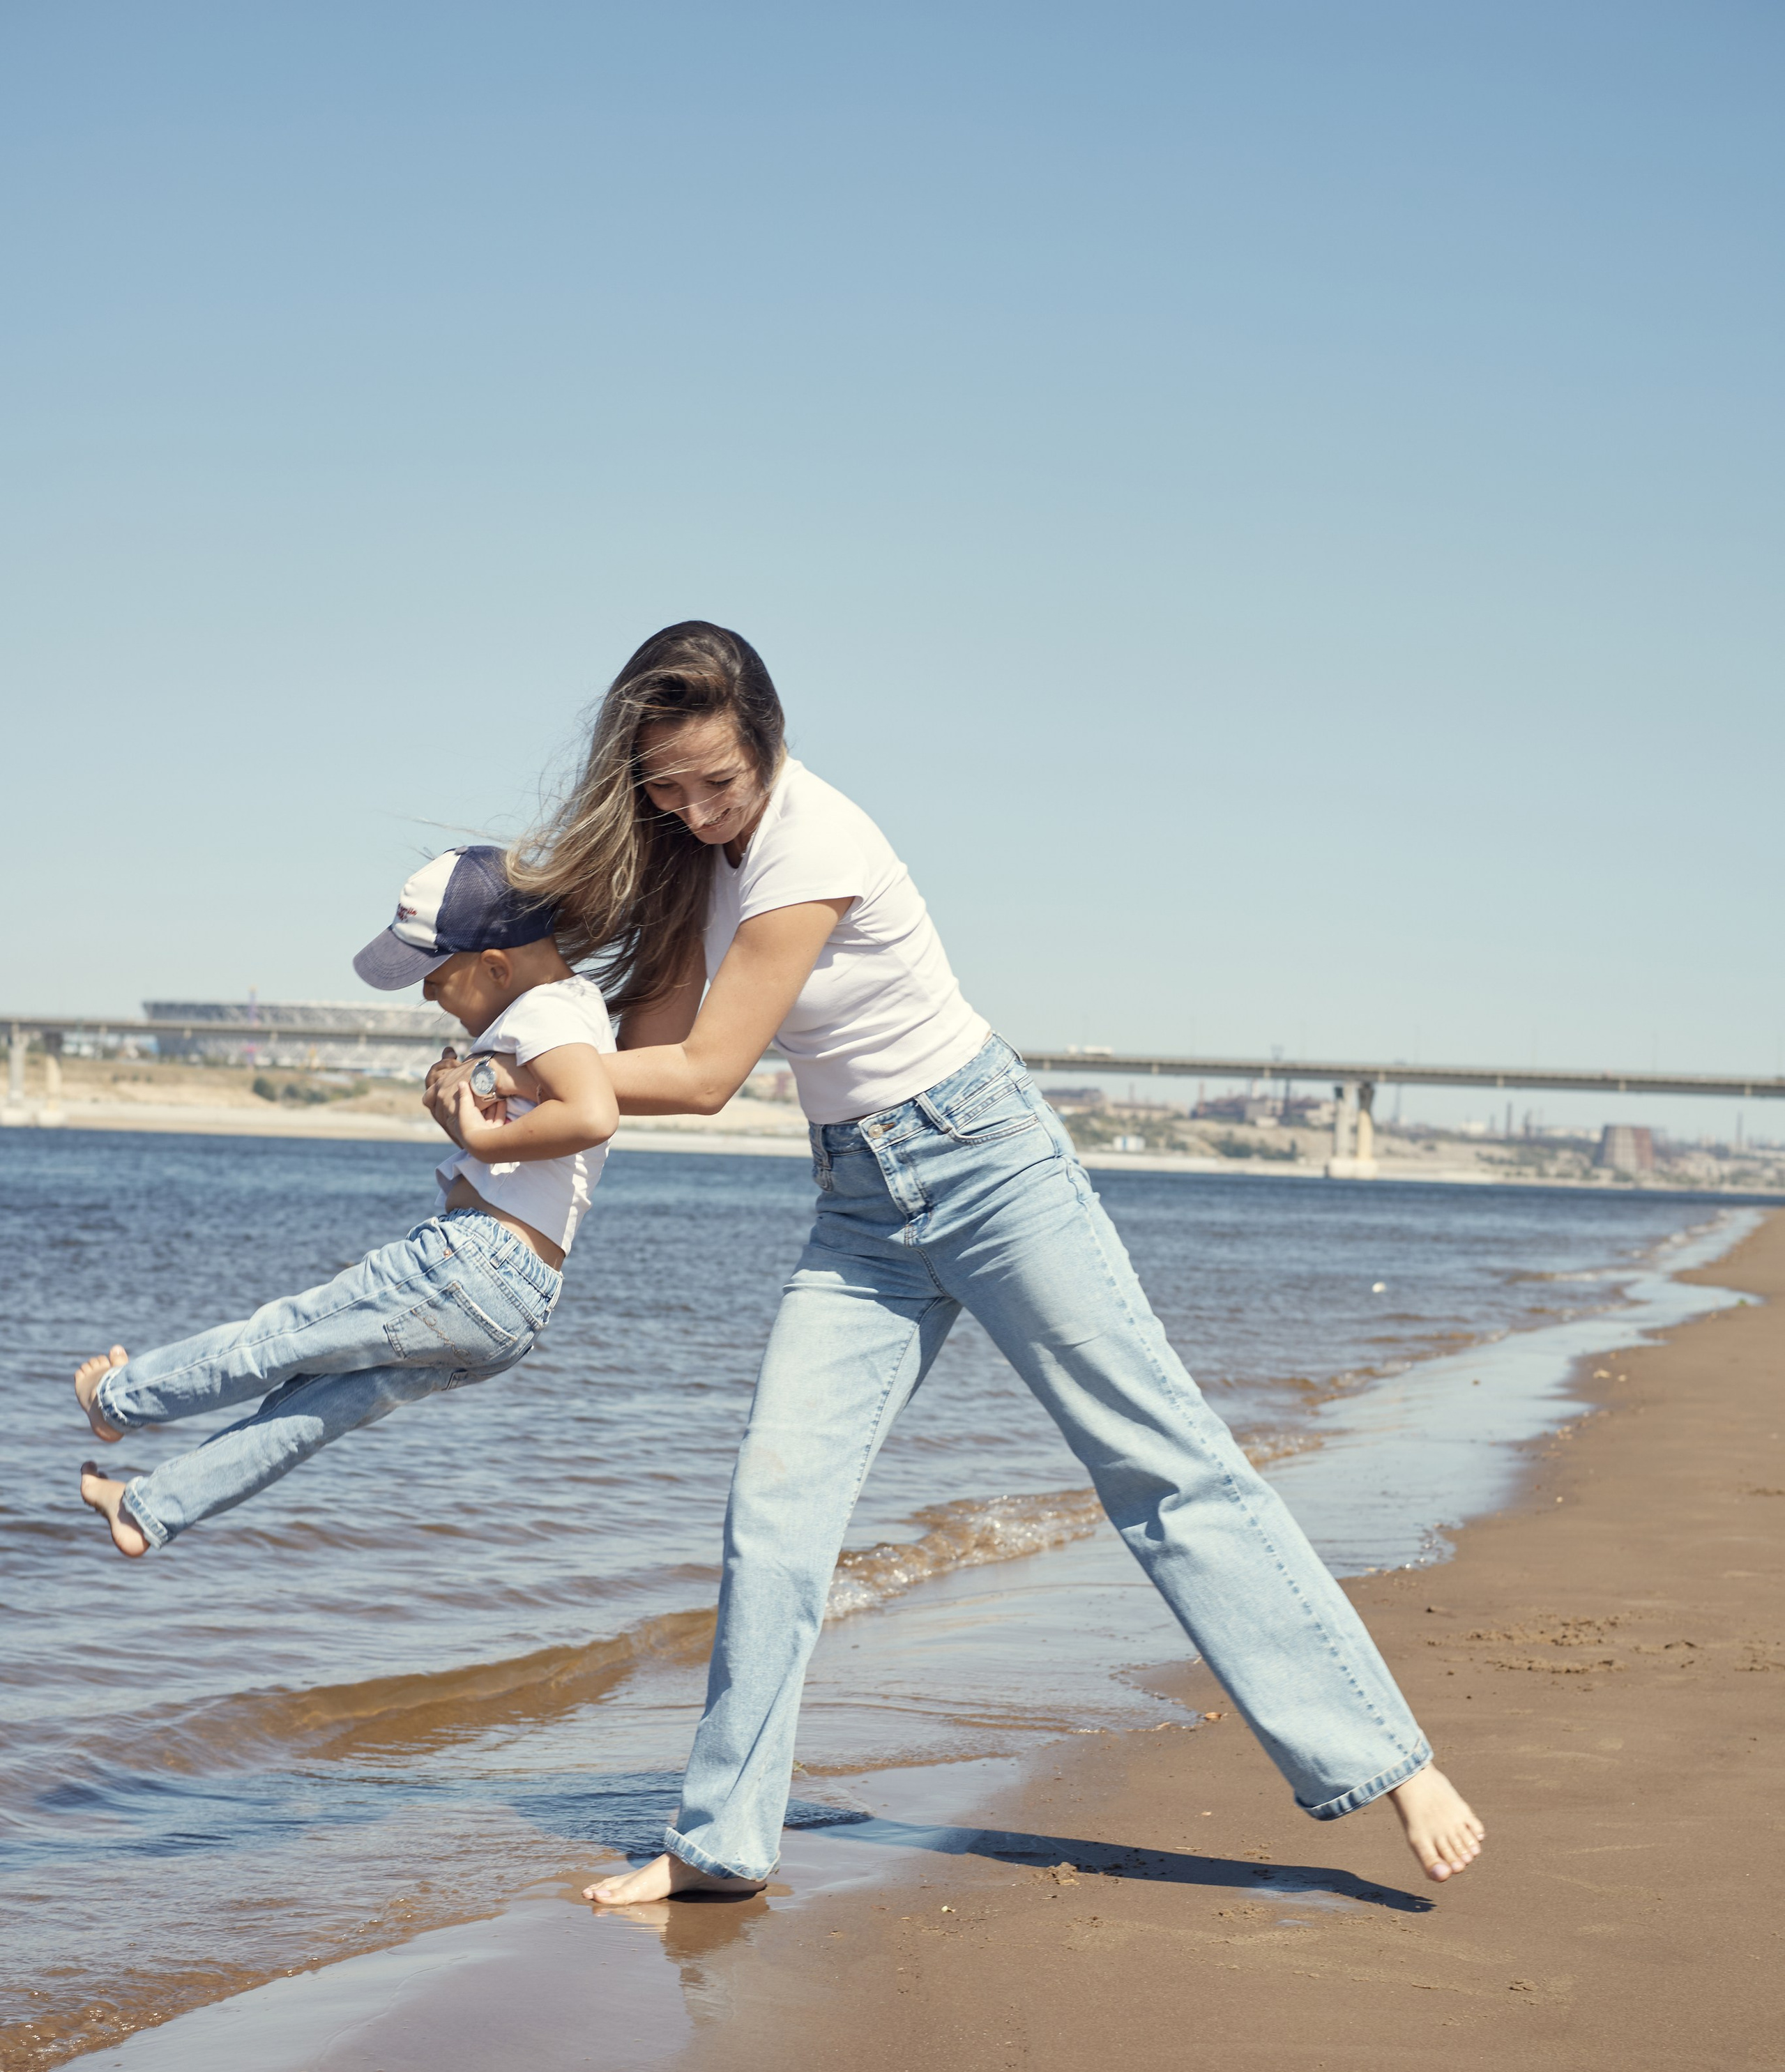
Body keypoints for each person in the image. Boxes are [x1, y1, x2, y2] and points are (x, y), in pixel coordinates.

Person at [471, 620, 1482, 1889]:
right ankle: (722, 1845)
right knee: (776, 1514)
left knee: (1163, 1467)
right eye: (664, 786)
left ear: (770, 745)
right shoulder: (692, 863)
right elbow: (640, 1044)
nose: (694, 807)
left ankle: (1389, 1760)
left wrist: (515, 1079)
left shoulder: (815, 841)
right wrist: (518, 1067)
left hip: (990, 1167)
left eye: (717, 781)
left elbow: (709, 1075)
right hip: (860, 1210)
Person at [75, 848, 617, 1557]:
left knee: (279, 1338)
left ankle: (120, 1398)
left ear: (495, 965)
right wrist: (467, 1113)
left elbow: (593, 1113)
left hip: (471, 1266)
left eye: (434, 978)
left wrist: (477, 1141)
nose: (427, 998)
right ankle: (150, 1508)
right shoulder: (572, 1010)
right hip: (517, 1304)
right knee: (316, 1405)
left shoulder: (545, 1013)